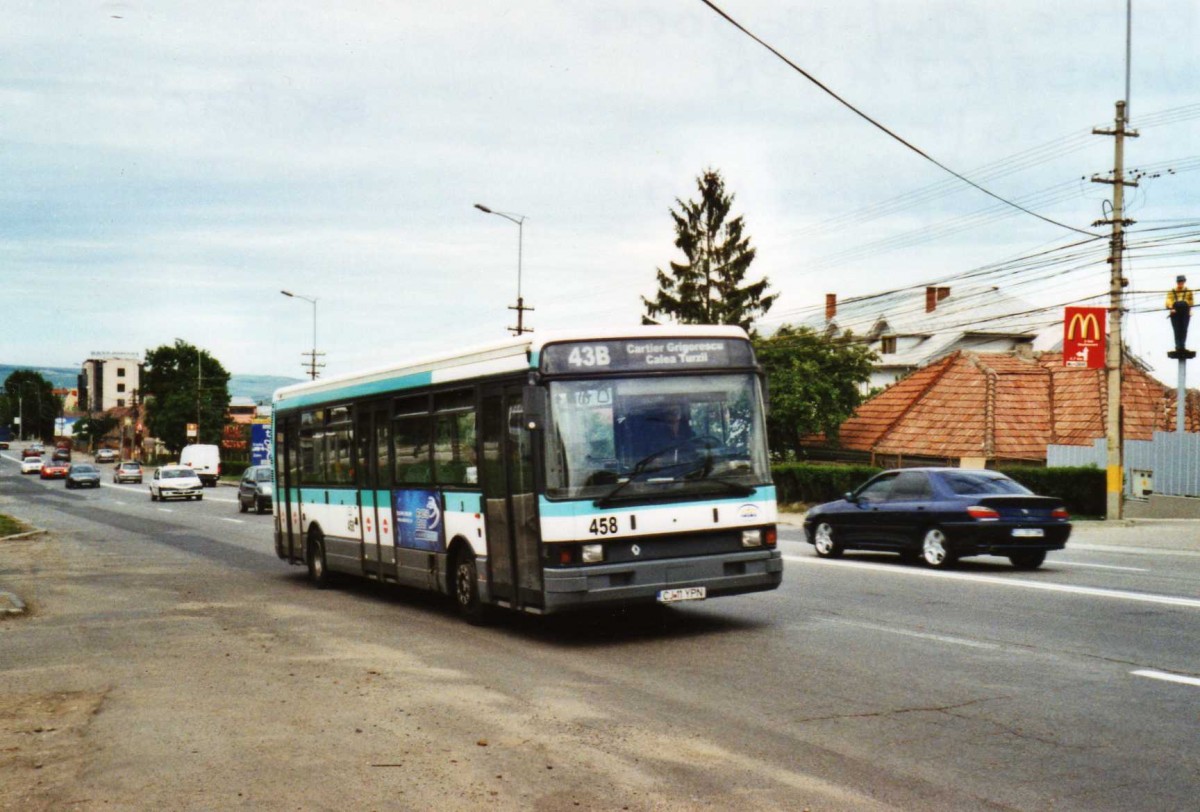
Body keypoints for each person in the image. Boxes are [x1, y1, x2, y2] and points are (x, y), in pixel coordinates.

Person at [1166, 274, 1193, 352]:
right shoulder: (1172, 291)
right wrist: (1171, 308)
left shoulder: (1188, 291)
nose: (1180, 283)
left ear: (1184, 282)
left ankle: (1182, 346)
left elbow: (1191, 301)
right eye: (1179, 281)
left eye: (1181, 281)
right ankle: (1178, 346)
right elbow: (1168, 300)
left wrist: (1190, 310)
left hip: (1185, 311)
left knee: (1184, 329)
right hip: (1175, 311)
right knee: (1177, 329)